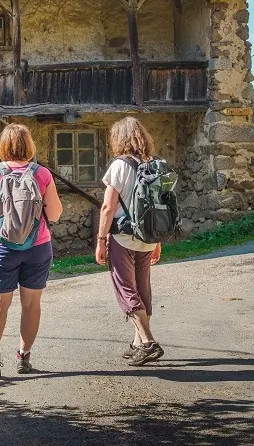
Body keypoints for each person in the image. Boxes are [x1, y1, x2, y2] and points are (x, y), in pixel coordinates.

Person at [0, 124, 63, 378]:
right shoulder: (42, 174)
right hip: (37, 246)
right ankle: (23, 358)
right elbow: (55, 214)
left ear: (3, 146)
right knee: (31, 304)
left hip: (2, 247)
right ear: (29, 145)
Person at [95, 117, 165, 366]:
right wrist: (157, 241)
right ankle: (137, 343)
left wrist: (101, 239)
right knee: (142, 287)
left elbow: (107, 207)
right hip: (148, 237)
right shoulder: (155, 165)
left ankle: (147, 341)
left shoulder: (119, 166)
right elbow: (160, 206)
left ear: (119, 139)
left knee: (126, 288)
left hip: (123, 236)